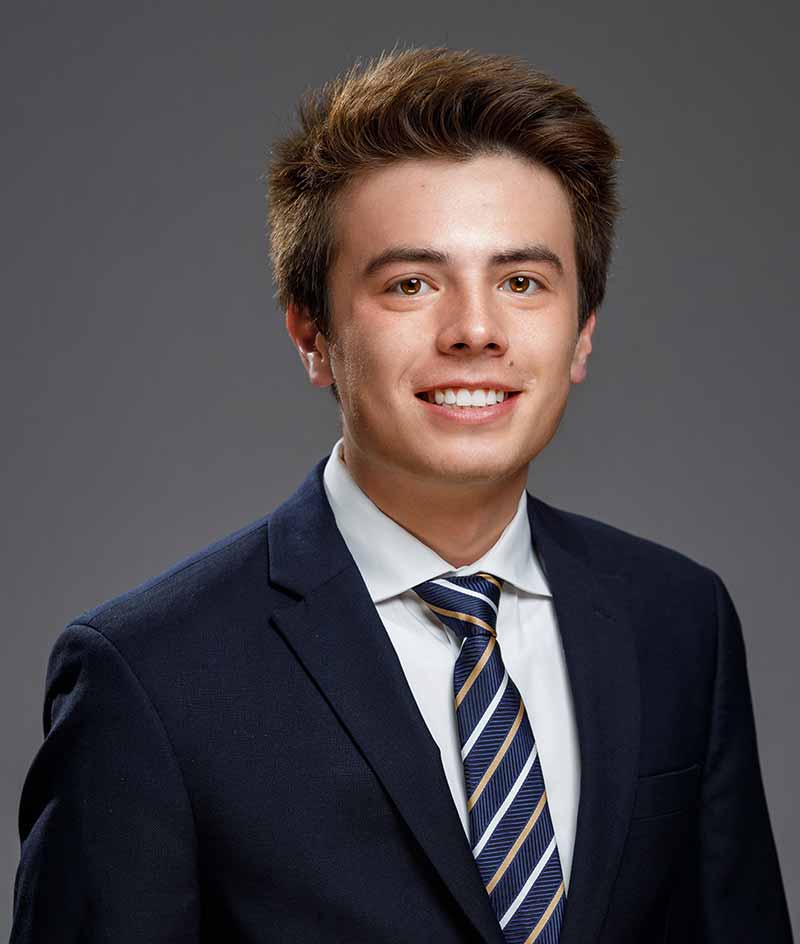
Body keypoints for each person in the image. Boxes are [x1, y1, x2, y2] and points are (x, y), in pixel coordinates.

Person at [10, 45, 793, 944]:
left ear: (582, 334)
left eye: (523, 282)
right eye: (411, 283)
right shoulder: (147, 678)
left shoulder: (680, 621)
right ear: (311, 333)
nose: (474, 330)